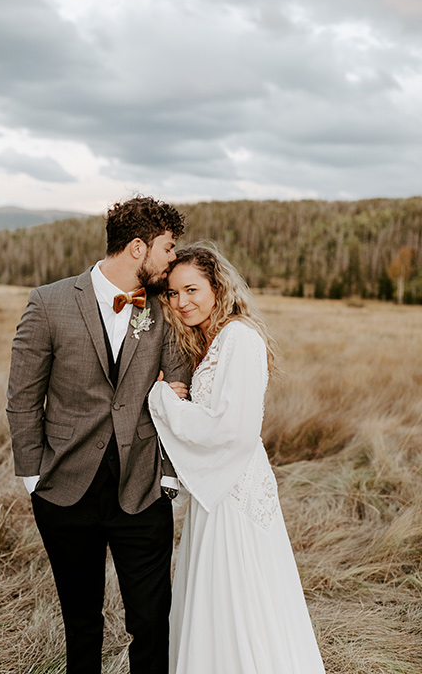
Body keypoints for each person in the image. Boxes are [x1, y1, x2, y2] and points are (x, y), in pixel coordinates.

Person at [6, 196, 191, 674]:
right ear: (137, 248)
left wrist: (169, 476)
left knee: (151, 622)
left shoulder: (163, 310)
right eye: (167, 248)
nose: (171, 259)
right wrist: (33, 477)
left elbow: (180, 394)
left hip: (143, 489)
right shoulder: (47, 303)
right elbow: (24, 397)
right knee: (81, 621)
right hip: (65, 489)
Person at [148, 244, 326, 674]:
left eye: (191, 289)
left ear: (217, 285)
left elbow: (231, 430)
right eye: (172, 294)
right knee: (216, 593)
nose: (181, 302)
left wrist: (162, 401)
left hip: (234, 489)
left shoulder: (239, 338)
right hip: (218, 488)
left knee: (241, 592)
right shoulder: (212, 340)